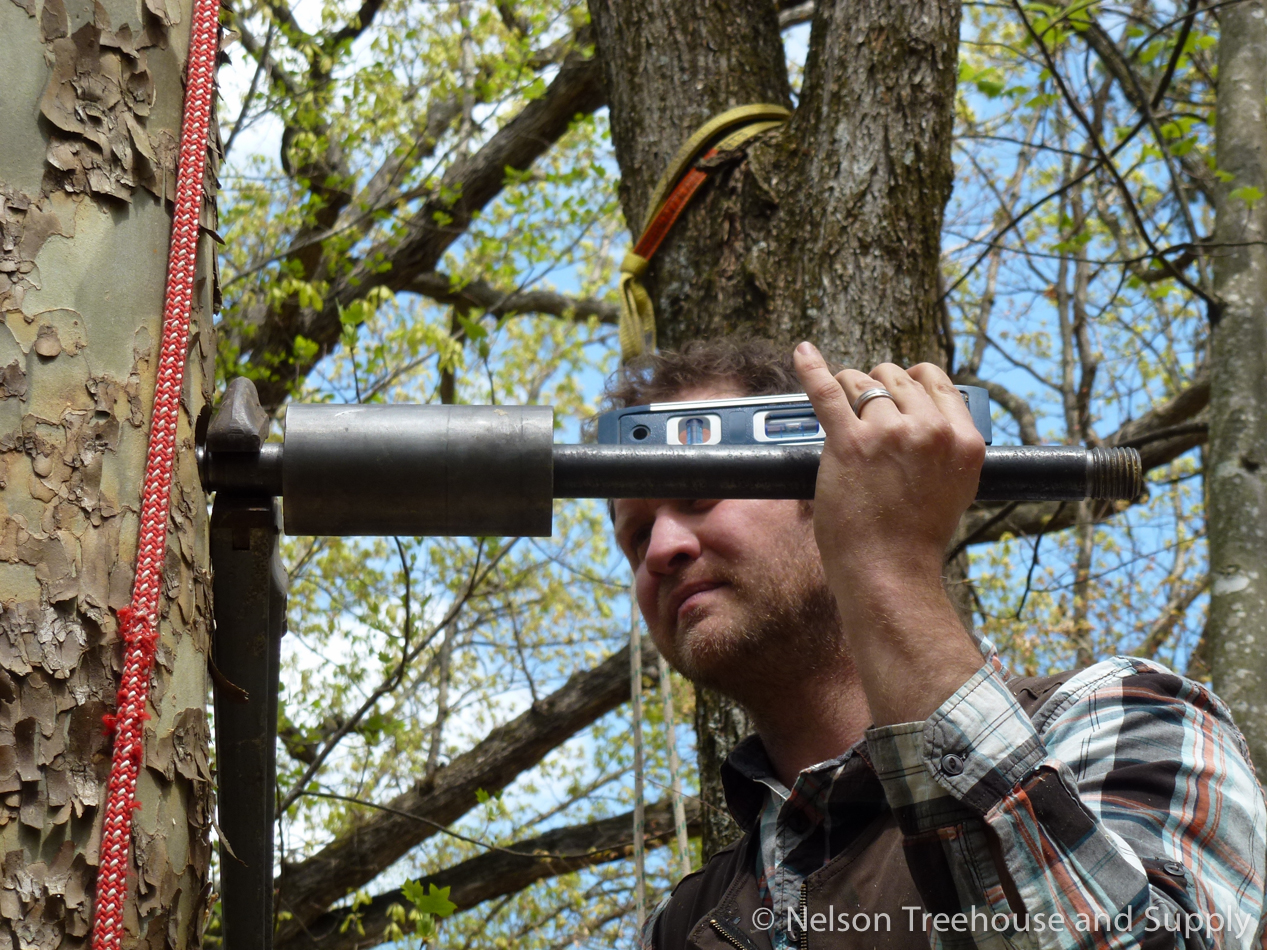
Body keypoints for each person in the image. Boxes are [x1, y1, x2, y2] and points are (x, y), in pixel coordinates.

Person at [605, 338, 1267, 950]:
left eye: (699, 494)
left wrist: (883, 561)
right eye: (635, 538)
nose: (661, 550)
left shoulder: (1114, 716)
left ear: (835, 483)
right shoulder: (683, 923)